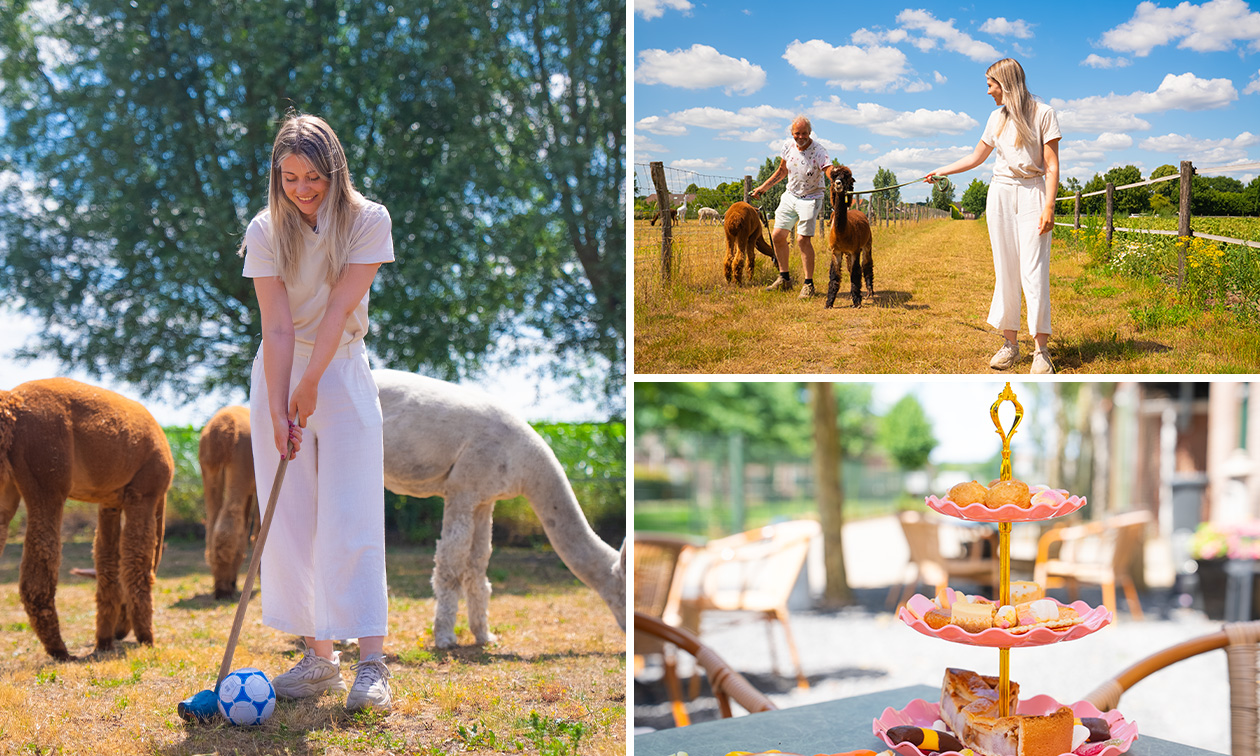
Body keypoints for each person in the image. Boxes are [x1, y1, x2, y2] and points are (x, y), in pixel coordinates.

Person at [240, 113, 395, 712]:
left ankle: (372, 664)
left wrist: (310, 386)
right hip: (278, 373)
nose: (302, 189)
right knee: (292, 519)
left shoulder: (369, 220)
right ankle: (319, 660)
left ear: (335, 171)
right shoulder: (264, 229)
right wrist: (280, 407)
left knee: (354, 513)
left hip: (343, 370)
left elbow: (337, 312)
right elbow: (277, 328)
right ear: (276, 178)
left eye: (313, 177)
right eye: (290, 178)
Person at [925, 58, 1061, 374]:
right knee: (1006, 270)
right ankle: (1010, 345)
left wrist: (1049, 207)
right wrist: (942, 170)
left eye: (991, 85)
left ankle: (1041, 352)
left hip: (1033, 192)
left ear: (1006, 84)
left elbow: (1052, 165)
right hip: (1000, 193)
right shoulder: (995, 118)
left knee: (1034, 271)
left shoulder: (1043, 113)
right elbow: (977, 156)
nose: (988, 92)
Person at [750, 116, 834, 298]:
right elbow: (782, 170)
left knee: (802, 240)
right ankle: (784, 278)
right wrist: (763, 188)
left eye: (804, 133)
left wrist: (836, 178)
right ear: (792, 133)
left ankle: (808, 284)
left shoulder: (819, 151)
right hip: (790, 195)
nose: (801, 137)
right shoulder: (788, 146)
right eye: (797, 133)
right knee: (777, 236)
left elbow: (828, 168)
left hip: (811, 198)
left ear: (810, 133)